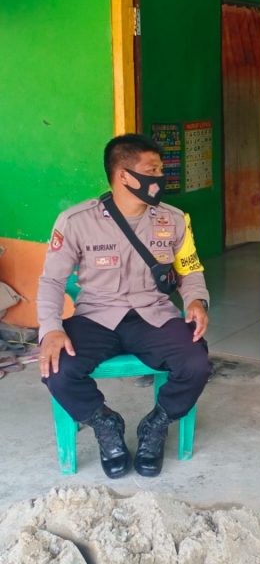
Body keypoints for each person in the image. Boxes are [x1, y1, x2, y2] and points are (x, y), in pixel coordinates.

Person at [38, 134, 211, 479]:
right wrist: (51, 329)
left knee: (196, 363)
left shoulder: (175, 220)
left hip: (153, 315)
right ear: (123, 176)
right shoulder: (76, 221)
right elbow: (52, 281)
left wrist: (196, 299)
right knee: (56, 369)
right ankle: (104, 423)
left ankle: (157, 424)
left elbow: (190, 271)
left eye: (161, 169)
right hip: (96, 317)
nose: (161, 177)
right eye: (152, 170)